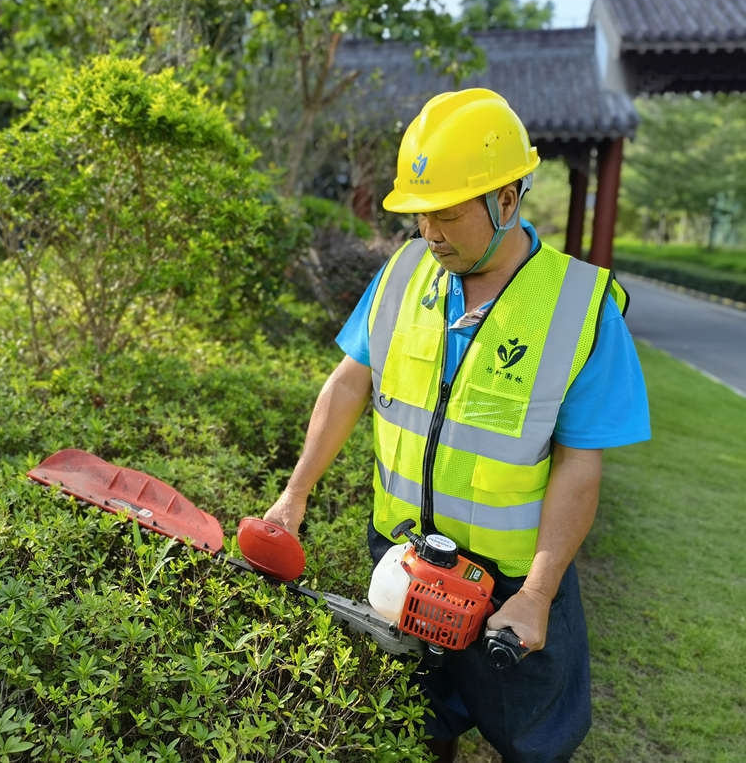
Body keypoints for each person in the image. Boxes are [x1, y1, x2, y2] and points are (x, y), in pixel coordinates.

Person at [262, 88, 650, 763]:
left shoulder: (581, 307)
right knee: (415, 725)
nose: (430, 235)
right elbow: (350, 381)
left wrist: (538, 592)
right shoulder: (404, 272)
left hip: (510, 589)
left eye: (446, 216)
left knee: (532, 741)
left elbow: (580, 462)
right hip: (403, 562)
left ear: (507, 200)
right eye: (420, 218)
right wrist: (294, 496)